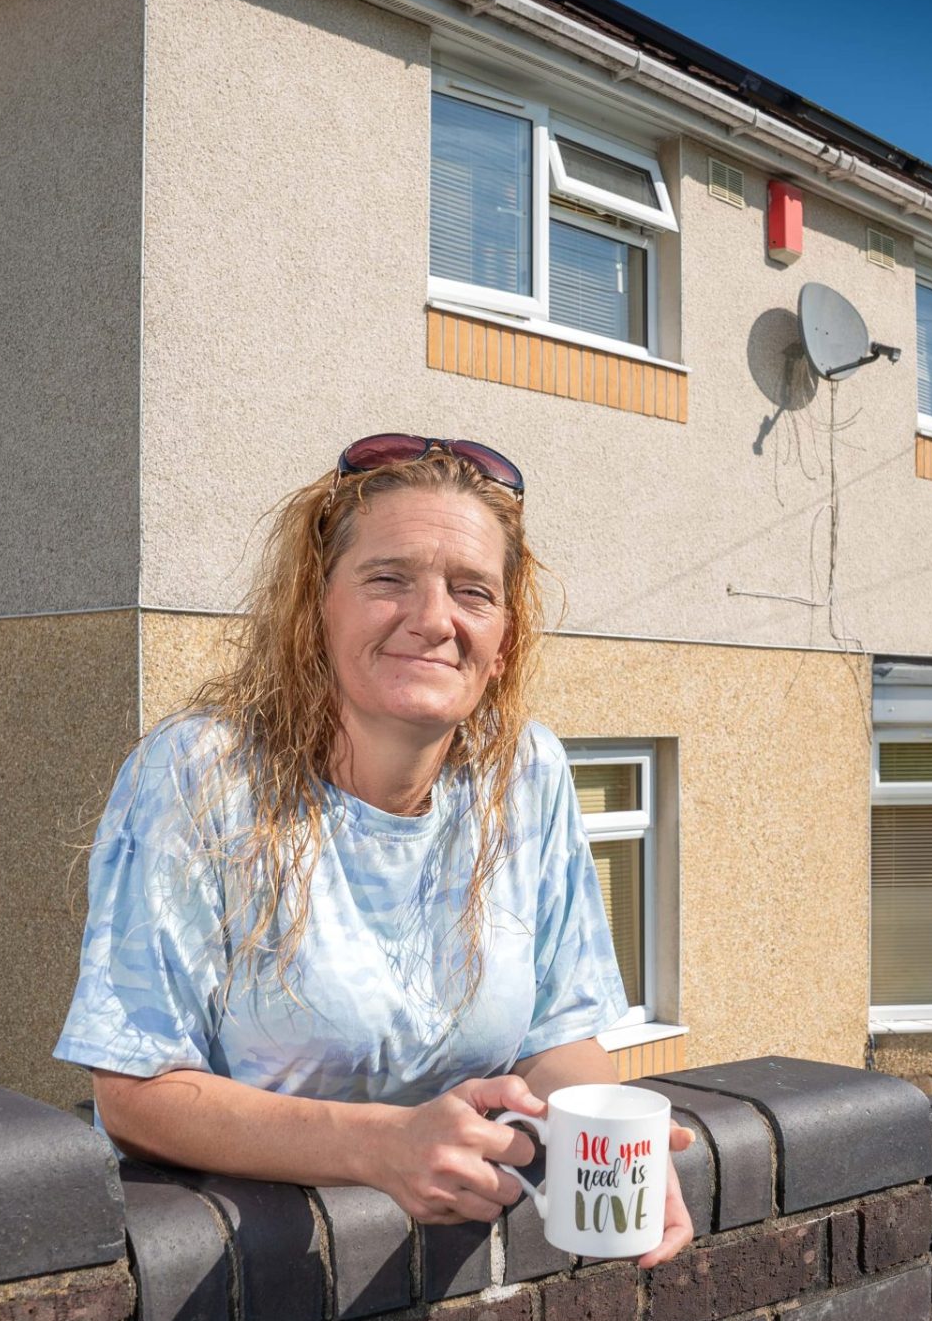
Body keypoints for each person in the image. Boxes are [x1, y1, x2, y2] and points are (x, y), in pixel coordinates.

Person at [53, 434, 693, 1266]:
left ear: (502, 640)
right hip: (246, 1287)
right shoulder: (199, 774)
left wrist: (610, 1142)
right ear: (316, 608)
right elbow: (136, 1093)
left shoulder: (526, 773)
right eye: (389, 579)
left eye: (473, 592)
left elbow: (557, 1036)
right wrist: (379, 1146)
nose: (433, 620)